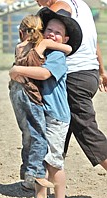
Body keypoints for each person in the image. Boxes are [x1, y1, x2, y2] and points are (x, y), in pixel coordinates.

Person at [9, 7, 82, 198]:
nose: (51, 34)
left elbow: (44, 74)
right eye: (49, 29)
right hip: (42, 111)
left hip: (56, 116)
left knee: (53, 162)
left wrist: (18, 71)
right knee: (40, 156)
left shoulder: (57, 55)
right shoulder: (43, 51)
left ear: (65, 38)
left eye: (57, 33)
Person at [33, 0, 107, 171]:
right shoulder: (82, 5)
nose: (37, 2)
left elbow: (37, 35)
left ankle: (40, 173)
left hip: (74, 76)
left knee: (85, 130)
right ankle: (42, 174)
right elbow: (93, 41)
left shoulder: (59, 6)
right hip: (89, 73)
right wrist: (102, 71)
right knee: (60, 126)